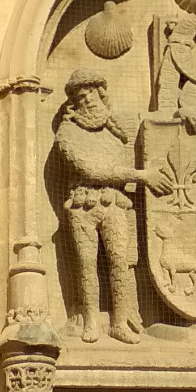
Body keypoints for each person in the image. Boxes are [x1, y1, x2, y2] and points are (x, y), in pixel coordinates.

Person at [55, 69, 172, 344]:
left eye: (93, 94)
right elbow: (91, 171)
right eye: (82, 97)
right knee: (86, 265)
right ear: (74, 101)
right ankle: (91, 321)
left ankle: (120, 322)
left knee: (120, 262)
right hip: (83, 205)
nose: (89, 101)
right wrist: (141, 176)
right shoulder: (66, 133)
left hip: (115, 205)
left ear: (101, 94)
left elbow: (142, 143)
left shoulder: (118, 129)